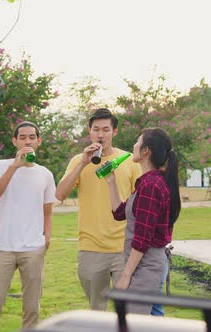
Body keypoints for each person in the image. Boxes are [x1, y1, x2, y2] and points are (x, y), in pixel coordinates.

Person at [55, 108, 142, 311]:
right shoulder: (78, 160)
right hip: (90, 247)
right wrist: (83, 163)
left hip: (124, 247)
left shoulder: (129, 160)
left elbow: (139, 203)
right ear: (89, 131)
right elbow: (59, 195)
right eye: (96, 130)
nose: (100, 135)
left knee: (127, 310)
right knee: (97, 309)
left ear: (115, 132)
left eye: (105, 129)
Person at [0, 121, 56, 331]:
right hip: (1, 247)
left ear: (38, 141)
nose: (27, 141)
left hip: (33, 249)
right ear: (15, 141)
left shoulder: (45, 174)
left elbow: (48, 211)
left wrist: (46, 239)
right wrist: (15, 166)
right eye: (22, 137)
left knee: (32, 308)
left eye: (32, 137)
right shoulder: (0, 166)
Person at [104, 127, 181, 315]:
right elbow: (119, 213)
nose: (133, 145)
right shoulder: (146, 182)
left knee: (134, 322)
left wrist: (125, 276)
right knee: (152, 320)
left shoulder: (151, 185)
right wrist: (111, 182)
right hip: (144, 263)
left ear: (146, 151)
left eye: (137, 141)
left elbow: (143, 238)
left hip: (146, 265)